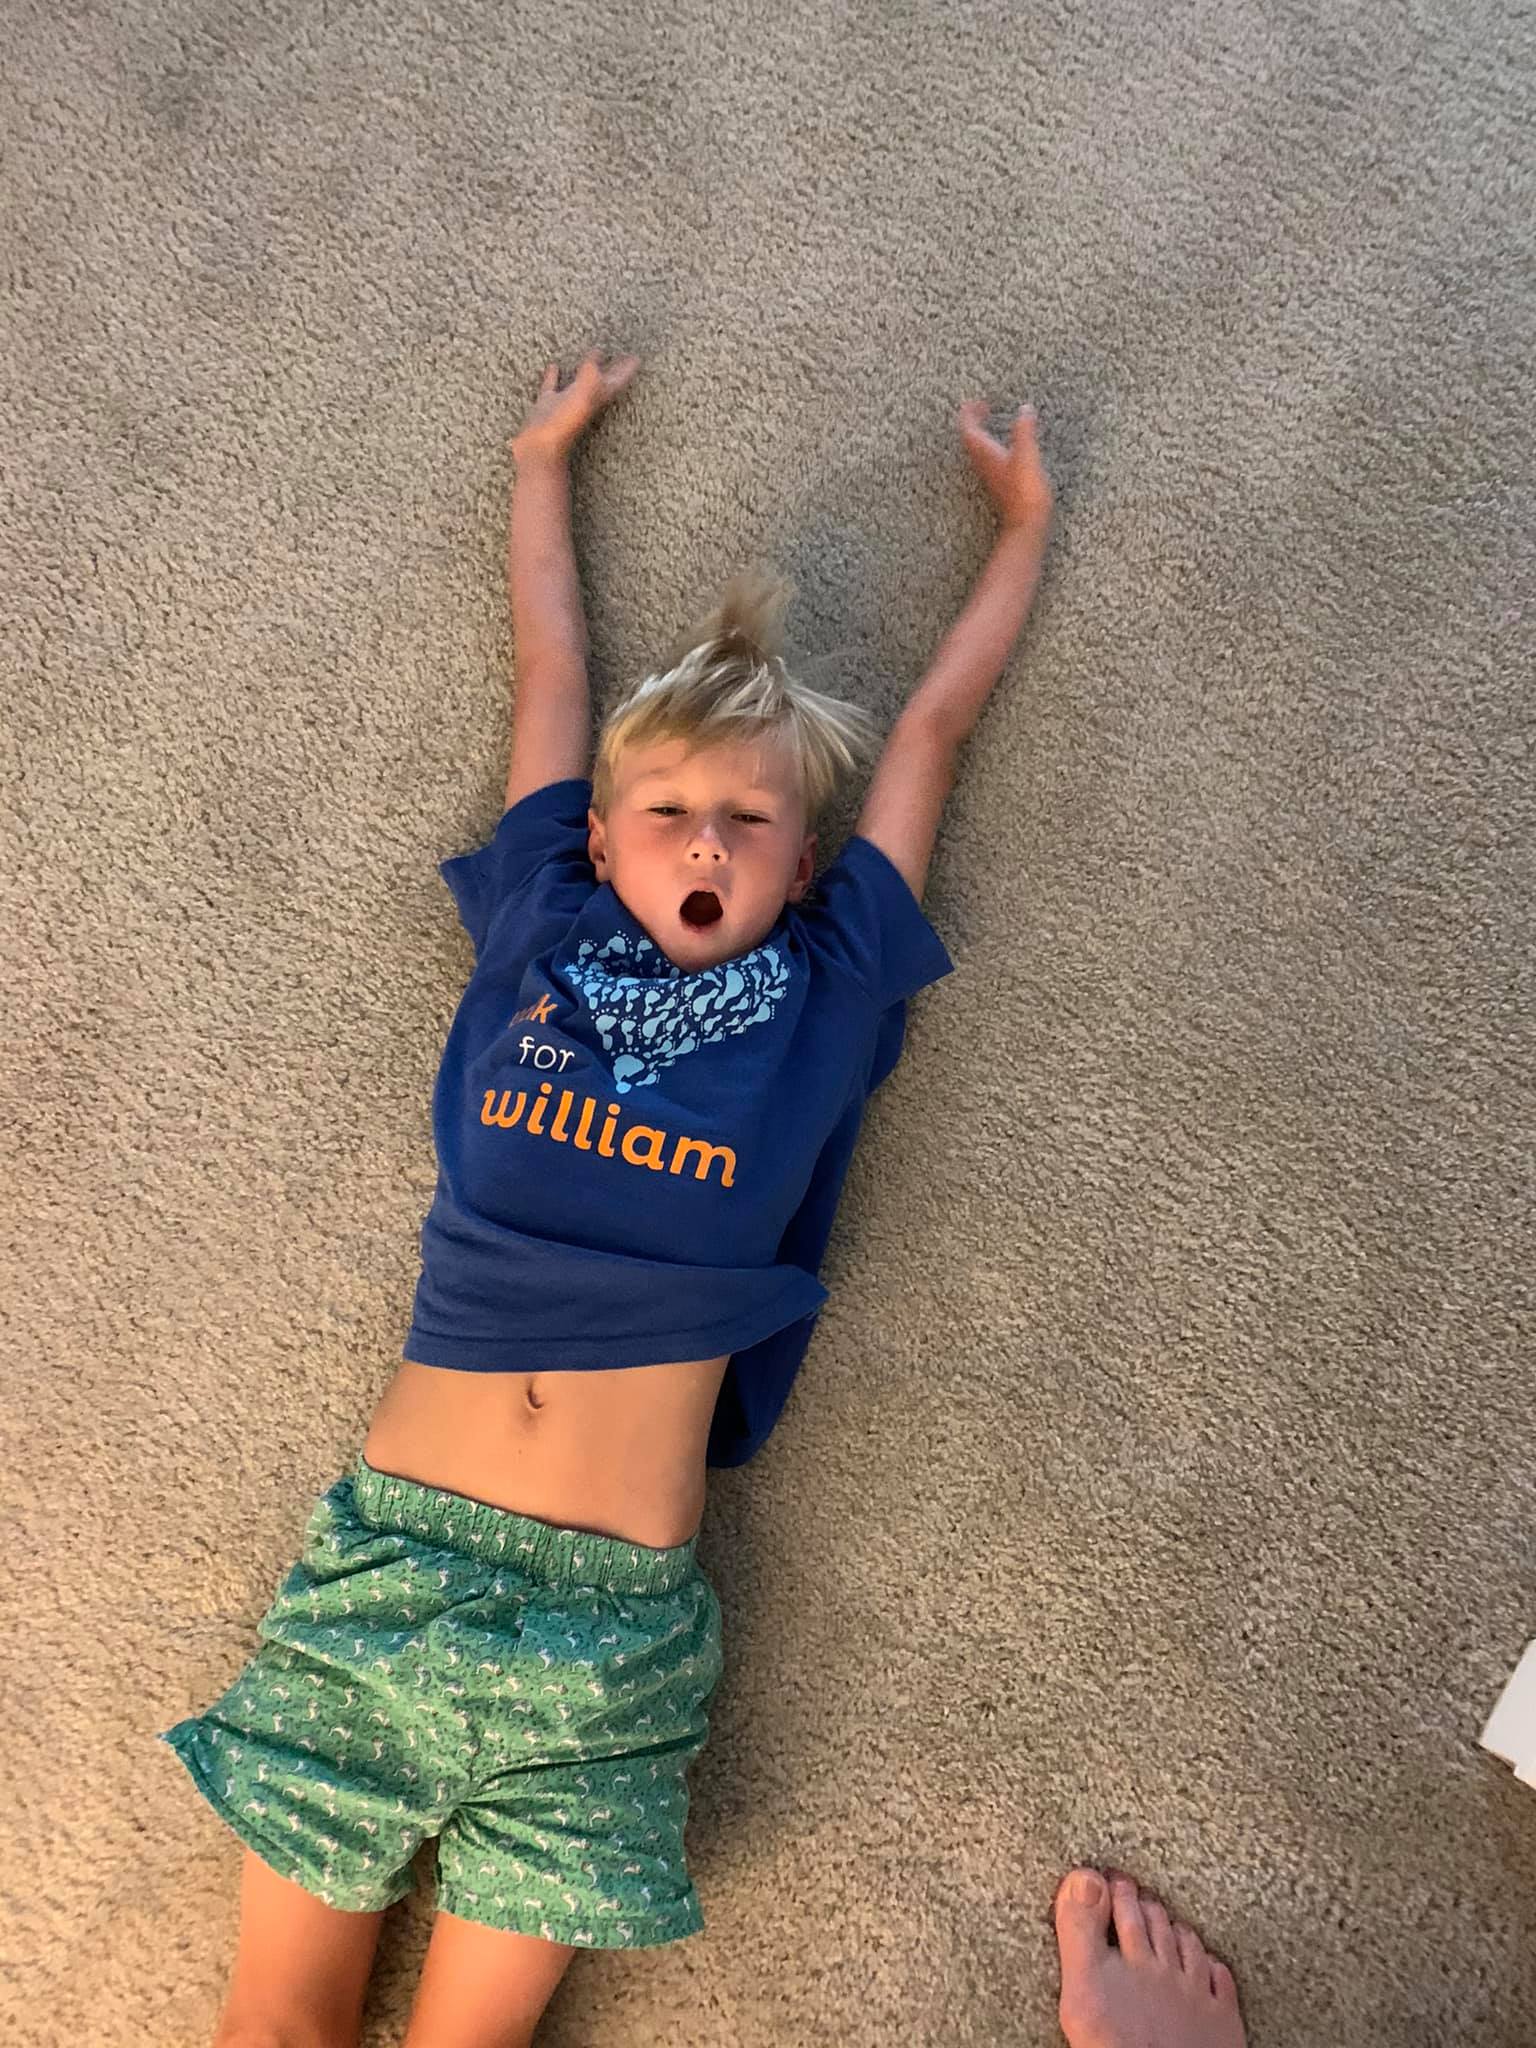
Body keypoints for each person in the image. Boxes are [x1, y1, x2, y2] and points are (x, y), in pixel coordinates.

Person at [153, 349, 1213, 2048]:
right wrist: (540, 463)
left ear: (806, 866)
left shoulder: (829, 982)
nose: (707, 840)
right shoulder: (542, 921)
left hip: (612, 1642)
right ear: (598, 841)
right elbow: (552, 674)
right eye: (667, 813)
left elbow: (931, 730)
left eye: (750, 821)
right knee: (273, 2033)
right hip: (390, 1571)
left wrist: (1023, 528)